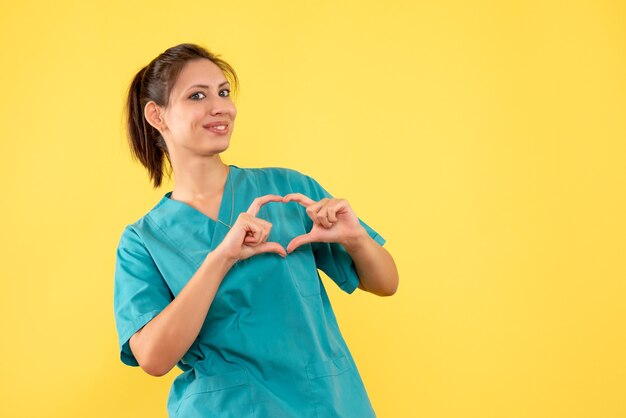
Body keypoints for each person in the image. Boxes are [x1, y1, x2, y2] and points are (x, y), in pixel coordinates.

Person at [113, 43, 399, 418]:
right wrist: (222, 257)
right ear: (157, 115)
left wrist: (355, 237)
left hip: (325, 402)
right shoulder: (143, 241)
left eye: (224, 92)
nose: (221, 107)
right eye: (197, 95)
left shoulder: (288, 193)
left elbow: (386, 282)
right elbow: (153, 357)